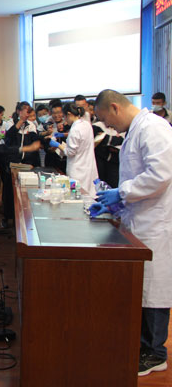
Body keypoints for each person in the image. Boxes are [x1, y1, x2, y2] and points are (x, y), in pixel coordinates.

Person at [91, 89, 172, 377]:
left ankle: (155, 353)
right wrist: (115, 204)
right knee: (143, 287)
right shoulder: (135, 131)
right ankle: (142, 345)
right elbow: (135, 177)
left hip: (155, 223)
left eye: (106, 120)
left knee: (154, 289)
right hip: (139, 218)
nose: (108, 127)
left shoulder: (153, 128)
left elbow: (160, 175)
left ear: (114, 107)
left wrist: (121, 193)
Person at [49, 103, 99, 196]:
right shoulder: (86, 124)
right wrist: (64, 135)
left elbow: (70, 152)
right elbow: (81, 137)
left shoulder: (75, 129)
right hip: (88, 167)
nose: (64, 120)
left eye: (64, 117)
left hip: (77, 170)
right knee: (88, 195)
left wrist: (57, 145)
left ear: (69, 114)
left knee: (77, 195)